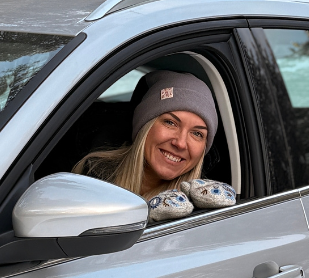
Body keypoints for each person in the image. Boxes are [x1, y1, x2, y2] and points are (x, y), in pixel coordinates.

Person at [73, 70, 219, 199]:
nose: (180, 143)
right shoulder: (90, 176)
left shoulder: (204, 210)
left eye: (197, 133)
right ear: (144, 126)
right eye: (170, 123)